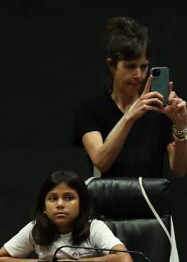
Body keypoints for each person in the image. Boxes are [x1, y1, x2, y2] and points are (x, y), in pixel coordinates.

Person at [74, 17, 187, 179]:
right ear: (111, 65)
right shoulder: (90, 111)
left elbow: (180, 169)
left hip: (149, 202)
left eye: (143, 66)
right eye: (130, 66)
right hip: (107, 202)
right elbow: (101, 161)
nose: (138, 75)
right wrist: (130, 116)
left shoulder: (158, 109)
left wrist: (181, 126)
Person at [0, 170, 133, 262]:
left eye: (69, 198)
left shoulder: (94, 227)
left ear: (81, 205)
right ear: (44, 208)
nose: (60, 204)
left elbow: (124, 260)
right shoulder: (35, 228)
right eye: (52, 198)